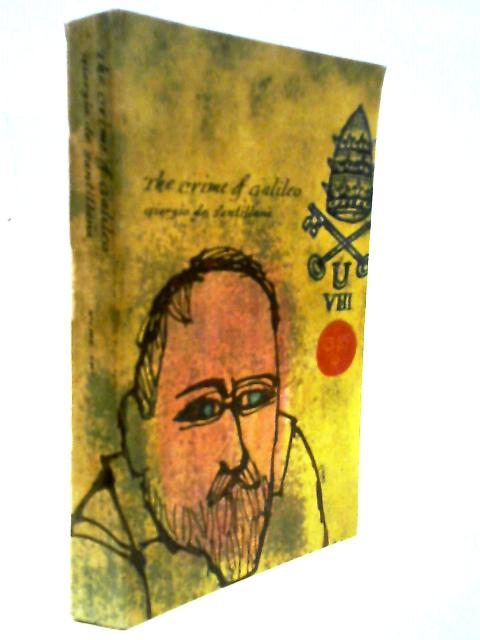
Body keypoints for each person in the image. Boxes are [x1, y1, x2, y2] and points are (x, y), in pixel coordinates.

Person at [72, 246, 328, 628]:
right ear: (138, 433)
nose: (238, 456)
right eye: (204, 410)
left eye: (254, 398)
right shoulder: (99, 549)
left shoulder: (288, 455)